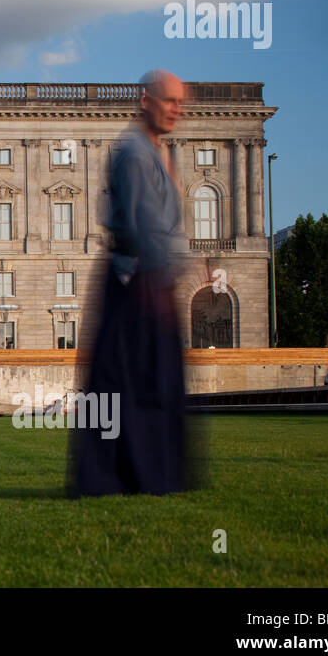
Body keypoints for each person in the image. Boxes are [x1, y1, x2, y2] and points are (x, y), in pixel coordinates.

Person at [69, 69, 201, 497]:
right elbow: (143, 222)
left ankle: (148, 474)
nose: (177, 109)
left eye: (181, 102)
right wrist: (161, 274)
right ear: (146, 100)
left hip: (147, 277)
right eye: (169, 100)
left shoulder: (158, 151)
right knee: (128, 383)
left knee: (145, 382)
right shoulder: (134, 152)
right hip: (136, 279)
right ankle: (126, 477)